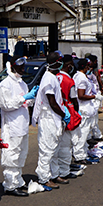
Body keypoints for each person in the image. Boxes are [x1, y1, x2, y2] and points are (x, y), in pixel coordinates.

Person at [0, 57, 38, 196]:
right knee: (11, 156)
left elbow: (26, 101)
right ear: (13, 67)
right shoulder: (5, 84)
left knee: (21, 155)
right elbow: (6, 105)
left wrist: (30, 98)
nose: (22, 69)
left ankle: (18, 181)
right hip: (12, 127)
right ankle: (10, 185)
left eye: (23, 67)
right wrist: (23, 98)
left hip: (22, 126)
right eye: (20, 67)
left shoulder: (22, 83)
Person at [32, 52, 69, 190]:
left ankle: (54, 174)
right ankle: (44, 177)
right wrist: (64, 113)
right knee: (47, 150)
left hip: (54, 117)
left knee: (54, 148)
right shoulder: (48, 79)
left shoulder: (52, 77)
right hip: (48, 118)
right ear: (57, 63)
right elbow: (52, 103)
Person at [54, 55, 81, 183]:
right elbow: (74, 99)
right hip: (66, 113)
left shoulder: (55, 77)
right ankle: (64, 171)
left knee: (56, 145)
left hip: (55, 113)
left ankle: (57, 170)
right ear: (68, 65)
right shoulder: (69, 81)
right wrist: (76, 111)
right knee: (65, 144)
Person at [72, 58, 100, 165]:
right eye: (88, 66)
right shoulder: (82, 78)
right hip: (83, 109)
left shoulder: (78, 76)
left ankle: (83, 153)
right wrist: (94, 96)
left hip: (84, 109)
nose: (90, 68)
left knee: (83, 133)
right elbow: (81, 95)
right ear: (85, 67)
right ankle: (79, 156)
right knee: (82, 134)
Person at [87, 55, 103, 141]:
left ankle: (96, 134)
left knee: (94, 117)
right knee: (92, 117)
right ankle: (92, 135)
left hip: (95, 95)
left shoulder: (92, 71)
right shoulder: (86, 73)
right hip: (92, 97)